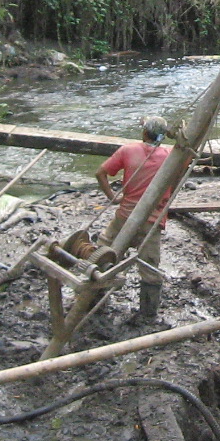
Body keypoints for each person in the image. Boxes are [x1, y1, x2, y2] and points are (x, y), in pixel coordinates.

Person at [95, 115, 174, 323]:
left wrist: (112, 198)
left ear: (144, 133)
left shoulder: (128, 150)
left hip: (125, 216)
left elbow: (100, 173)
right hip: (152, 222)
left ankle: (94, 299)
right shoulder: (171, 156)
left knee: (104, 252)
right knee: (149, 268)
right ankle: (148, 314)